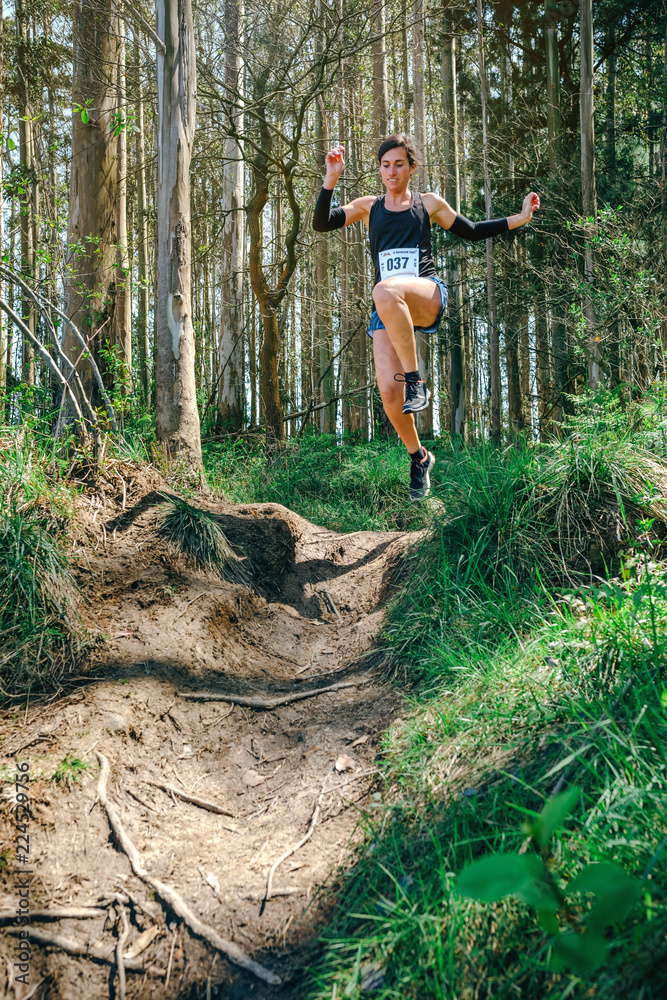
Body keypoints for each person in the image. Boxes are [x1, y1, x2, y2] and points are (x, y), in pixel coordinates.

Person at [313, 133, 540, 500]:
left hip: (425, 294)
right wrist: (332, 178)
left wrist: (521, 217)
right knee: (388, 393)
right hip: (387, 309)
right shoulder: (369, 206)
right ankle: (419, 457)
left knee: (384, 290)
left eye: (399, 164)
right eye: (385, 165)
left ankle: (416, 380)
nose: (391, 171)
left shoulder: (428, 203)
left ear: (412, 167)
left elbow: (471, 231)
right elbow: (321, 224)